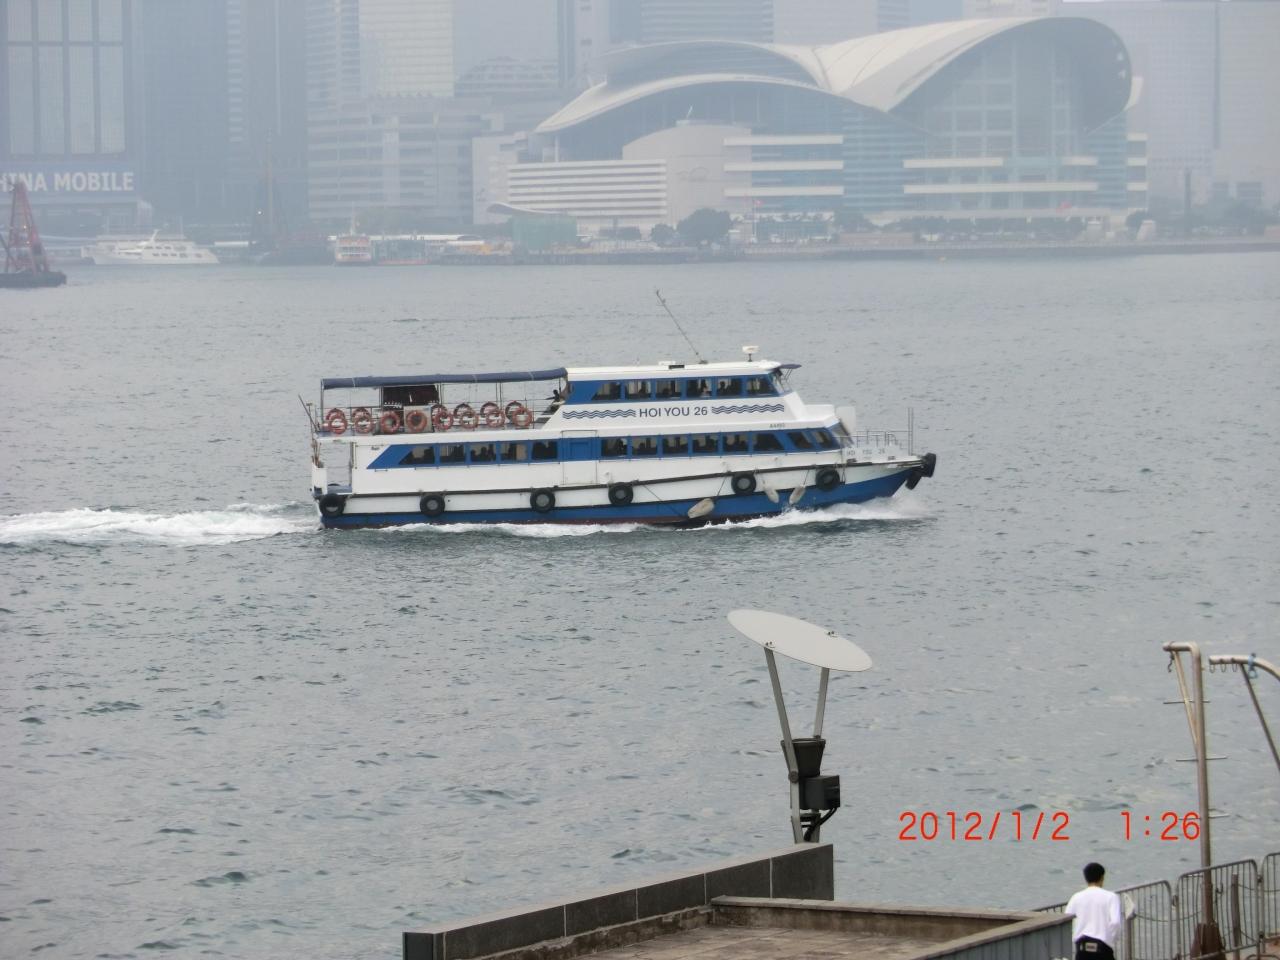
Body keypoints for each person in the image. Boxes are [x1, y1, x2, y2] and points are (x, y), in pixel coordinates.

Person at [1065, 862, 1123, 960]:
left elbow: (1066, 920)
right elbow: (1115, 922)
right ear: (1102, 878)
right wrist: (1109, 939)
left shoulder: (1076, 897)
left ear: (1086, 878)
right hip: (1103, 947)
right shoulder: (1111, 897)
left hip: (1082, 947)